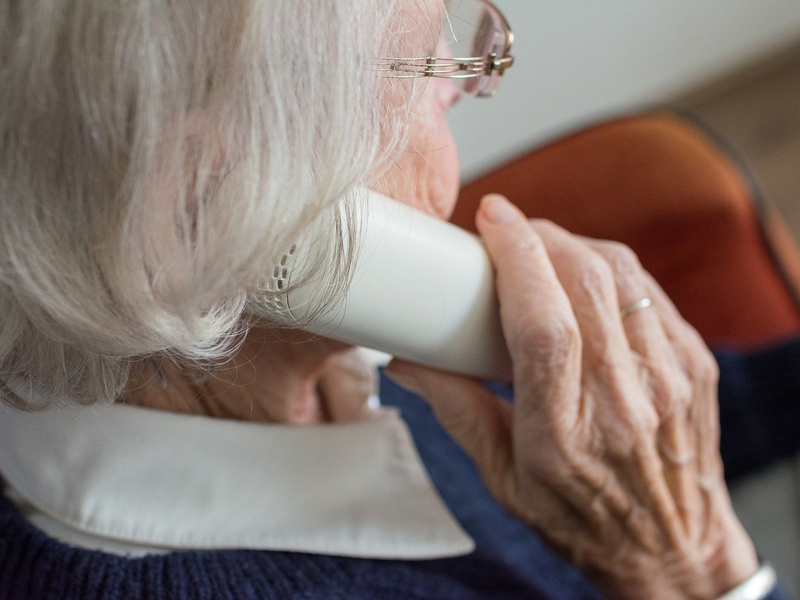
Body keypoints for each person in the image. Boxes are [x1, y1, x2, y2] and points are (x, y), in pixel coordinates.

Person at [0, 1, 789, 598]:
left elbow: (639, 417)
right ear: (204, 202)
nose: (468, 85)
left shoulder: (321, 346)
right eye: (425, 64)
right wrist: (693, 567)